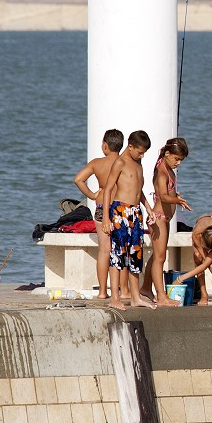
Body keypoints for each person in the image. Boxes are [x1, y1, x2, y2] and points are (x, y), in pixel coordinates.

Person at [97, 130, 156, 311]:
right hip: (119, 211)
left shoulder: (138, 164)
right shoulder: (120, 162)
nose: (142, 155)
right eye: (139, 151)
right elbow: (107, 190)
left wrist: (148, 208)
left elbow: (139, 190)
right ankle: (114, 297)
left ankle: (136, 296)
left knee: (135, 255)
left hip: (135, 213)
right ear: (130, 146)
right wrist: (106, 217)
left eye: (144, 152)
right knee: (117, 256)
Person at [73, 129, 123, 301]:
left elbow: (78, 179)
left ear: (105, 145)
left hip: (102, 206)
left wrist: (93, 195)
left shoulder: (97, 163)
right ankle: (123, 290)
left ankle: (102, 291)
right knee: (120, 249)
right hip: (119, 206)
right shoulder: (124, 162)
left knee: (104, 250)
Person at [147, 137, 191, 307]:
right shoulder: (162, 172)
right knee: (160, 258)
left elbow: (169, 193)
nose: (178, 163)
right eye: (176, 158)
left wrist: (177, 197)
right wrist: (176, 201)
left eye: (181, 160)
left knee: (157, 256)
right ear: (167, 154)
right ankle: (161, 296)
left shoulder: (169, 169)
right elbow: (164, 196)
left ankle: (145, 288)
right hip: (158, 218)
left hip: (164, 218)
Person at [171, 214, 212, 305]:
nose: (208, 251)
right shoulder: (196, 234)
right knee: (198, 257)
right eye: (206, 248)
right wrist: (179, 279)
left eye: (210, 250)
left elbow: (208, 263)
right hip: (202, 222)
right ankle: (204, 295)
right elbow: (205, 264)